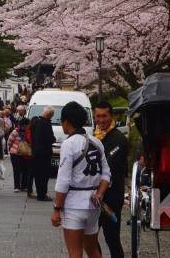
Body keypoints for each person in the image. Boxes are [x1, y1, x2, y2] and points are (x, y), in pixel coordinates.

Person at [51, 102, 110, 258]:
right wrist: (100, 193)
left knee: (75, 253)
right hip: (93, 203)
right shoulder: (96, 142)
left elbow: (63, 181)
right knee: (92, 250)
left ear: (67, 122)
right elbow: (106, 174)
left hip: (74, 205)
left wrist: (57, 208)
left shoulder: (69, 144)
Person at [94, 102, 128, 258]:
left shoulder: (118, 138)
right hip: (96, 195)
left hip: (111, 197)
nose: (101, 120)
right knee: (90, 236)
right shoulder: (95, 136)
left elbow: (108, 165)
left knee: (112, 238)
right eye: (98, 116)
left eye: (104, 116)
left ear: (112, 116)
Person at [30, 106, 56, 201]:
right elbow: (50, 138)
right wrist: (54, 139)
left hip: (35, 152)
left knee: (37, 174)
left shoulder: (35, 122)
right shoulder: (46, 124)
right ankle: (42, 195)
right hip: (44, 153)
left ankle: (39, 193)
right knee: (44, 174)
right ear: (50, 115)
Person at [8, 117, 31, 192]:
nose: (28, 126)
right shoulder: (16, 131)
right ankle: (16, 186)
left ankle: (24, 186)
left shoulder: (28, 132)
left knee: (25, 170)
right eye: (27, 125)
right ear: (23, 125)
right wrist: (12, 148)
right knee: (16, 170)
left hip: (25, 153)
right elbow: (10, 141)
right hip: (15, 153)